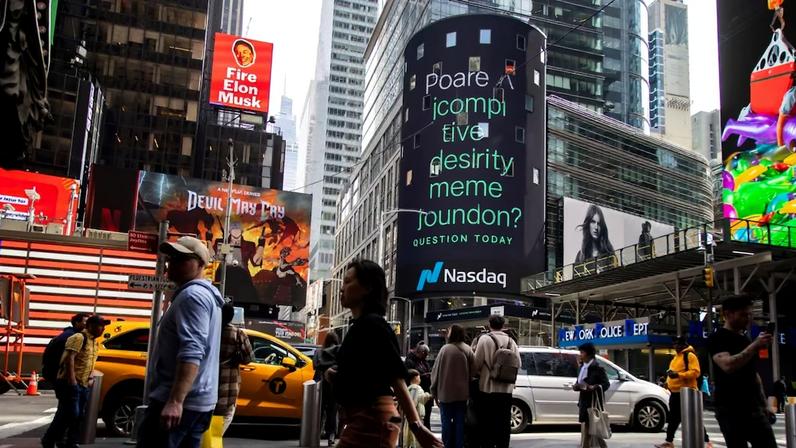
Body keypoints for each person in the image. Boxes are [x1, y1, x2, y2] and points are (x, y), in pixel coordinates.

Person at [325, 259, 441, 448]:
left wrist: (417, 427)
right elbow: (367, 375)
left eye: (348, 281)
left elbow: (396, 379)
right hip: (364, 419)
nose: (341, 288)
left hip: (372, 420)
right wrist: (336, 376)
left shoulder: (373, 325)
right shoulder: (360, 326)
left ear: (367, 287)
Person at [137, 236, 225, 448]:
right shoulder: (205, 296)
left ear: (201, 264)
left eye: (182, 259)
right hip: (195, 404)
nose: (172, 264)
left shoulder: (192, 297)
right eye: (171, 258)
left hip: (179, 404)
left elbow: (192, 350)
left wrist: (175, 401)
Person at [708, 294, 777, 448]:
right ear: (728, 314)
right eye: (743, 315)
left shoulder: (744, 340)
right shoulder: (718, 338)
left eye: (749, 314)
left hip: (753, 408)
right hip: (730, 409)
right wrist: (755, 346)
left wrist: (765, 405)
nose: (747, 319)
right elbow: (727, 365)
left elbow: (753, 375)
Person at [41, 314, 109, 448]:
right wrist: (72, 381)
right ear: (90, 326)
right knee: (71, 414)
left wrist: (90, 378)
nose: (102, 329)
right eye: (99, 326)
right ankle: (49, 439)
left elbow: (90, 362)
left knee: (76, 416)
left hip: (83, 384)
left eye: (103, 326)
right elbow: (69, 359)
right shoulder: (78, 337)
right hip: (69, 383)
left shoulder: (94, 342)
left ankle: (69, 442)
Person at [472, 315, 521, 448]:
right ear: (503, 325)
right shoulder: (511, 341)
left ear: (489, 325)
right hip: (506, 390)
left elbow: (476, 363)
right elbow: (519, 364)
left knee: (487, 422)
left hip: (488, 388)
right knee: (504, 422)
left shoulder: (485, 339)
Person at [655, 336, 712, 448]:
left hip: (687, 393)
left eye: (678, 344)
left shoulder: (690, 355)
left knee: (694, 418)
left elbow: (696, 372)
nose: (676, 347)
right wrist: (667, 382)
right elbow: (673, 372)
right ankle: (669, 442)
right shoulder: (676, 357)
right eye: (674, 344)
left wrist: (678, 375)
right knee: (673, 419)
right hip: (675, 393)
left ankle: (706, 441)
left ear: (684, 344)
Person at [431, 324, 475, 448]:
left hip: (445, 394)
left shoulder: (444, 349)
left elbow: (435, 372)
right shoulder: (467, 349)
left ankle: (446, 445)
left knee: (446, 423)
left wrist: (433, 391)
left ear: (452, 333)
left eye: (449, 331)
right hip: (462, 394)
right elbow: (475, 370)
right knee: (460, 423)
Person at [214, 302, 254, 434]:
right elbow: (248, 358)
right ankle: (212, 440)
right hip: (228, 384)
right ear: (231, 317)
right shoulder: (237, 333)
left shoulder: (210, 330)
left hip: (206, 383)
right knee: (225, 416)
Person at [573, 342, 610, 448]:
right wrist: (576, 386)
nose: (580, 354)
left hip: (593, 404)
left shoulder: (597, 368)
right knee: (591, 430)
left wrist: (594, 387)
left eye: (582, 352)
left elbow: (606, 384)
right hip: (583, 402)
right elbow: (579, 381)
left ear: (589, 354)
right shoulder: (581, 367)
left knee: (592, 430)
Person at [41, 313, 88, 383]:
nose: (87, 325)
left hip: (54, 372)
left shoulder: (69, 333)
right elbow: (67, 358)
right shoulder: (72, 337)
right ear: (77, 323)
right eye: (85, 322)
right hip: (59, 374)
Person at [314, 332, 341, 446]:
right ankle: (331, 436)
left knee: (319, 412)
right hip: (333, 385)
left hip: (320, 384)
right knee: (332, 412)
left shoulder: (319, 352)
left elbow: (314, 365)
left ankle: (315, 435)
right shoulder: (339, 351)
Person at [574, 204, 616, 271]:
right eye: (593, 222)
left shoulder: (609, 253)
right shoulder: (580, 256)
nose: (596, 227)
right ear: (588, 224)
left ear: (602, 227)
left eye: (599, 224)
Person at [405, 342, 433, 428]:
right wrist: (422, 376)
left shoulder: (423, 361)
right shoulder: (410, 361)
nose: (426, 357)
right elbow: (409, 375)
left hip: (425, 389)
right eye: (425, 354)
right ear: (421, 352)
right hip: (416, 392)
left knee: (426, 417)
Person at [404, 369, 434, 448]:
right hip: (417, 414)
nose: (420, 379)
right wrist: (428, 395)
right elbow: (421, 399)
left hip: (410, 415)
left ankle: (409, 444)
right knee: (416, 433)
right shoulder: (417, 388)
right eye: (419, 377)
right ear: (415, 378)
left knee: (409, 432)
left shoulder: (408, 388)